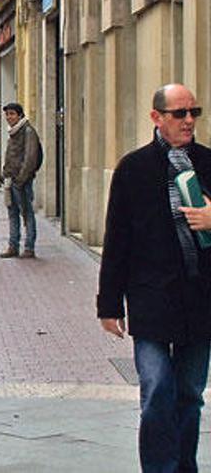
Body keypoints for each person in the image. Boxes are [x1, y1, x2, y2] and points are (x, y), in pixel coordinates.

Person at [98, 84, 211, 472]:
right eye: (179, 113)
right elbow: (117, 240)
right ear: (156, 118)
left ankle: (184, 466)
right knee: (157, 389)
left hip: (200, 300)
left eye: (193, 112)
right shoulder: (134, 169)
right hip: (151, 300)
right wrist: (109, 305)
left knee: (190, 394)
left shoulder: (209, 163)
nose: (189, 121)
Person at [0, 102, 41, 259]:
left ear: (20, 115)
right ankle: (13, 246)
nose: (9, 117)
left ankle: (29, 247)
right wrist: (4, 174)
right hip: (11, 180)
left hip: (21, 181)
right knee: (12, 213)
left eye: (12, 114)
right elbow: (11, 156)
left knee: (27, 213)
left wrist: (21, 179)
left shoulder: (28, 131)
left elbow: (30, 157)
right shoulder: (13, 132)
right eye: (7, 114)